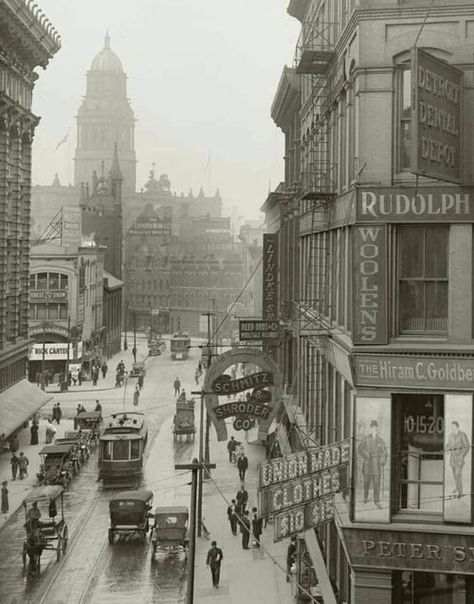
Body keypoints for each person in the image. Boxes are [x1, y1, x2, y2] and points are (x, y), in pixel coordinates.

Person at [357, 419, 388, 509]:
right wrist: (366, 454)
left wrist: (383, 461)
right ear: (370, 428)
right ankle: (365, 497)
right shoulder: (366, 439)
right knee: (366, 482)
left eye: (375, 427)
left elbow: (384, 452)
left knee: (376, 483)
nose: (374, 429)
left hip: (376, 465)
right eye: (373, 427)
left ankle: (376, 500)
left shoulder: (380, 440)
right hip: (367, 464)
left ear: (377, 428)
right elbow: (360, 449)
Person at [446, 420, 471, 498]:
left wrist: (462, 455)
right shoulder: (450, 435)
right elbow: (448, 445)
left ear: (457, 426)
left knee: (458, 475)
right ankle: (457, 488)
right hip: (452, 459)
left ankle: (460, 493)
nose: (452, 428)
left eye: (453, 426)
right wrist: (446, 449)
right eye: (451, 426)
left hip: (459, 459)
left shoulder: (462, 434)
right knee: (454, 475)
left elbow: (467, 446)